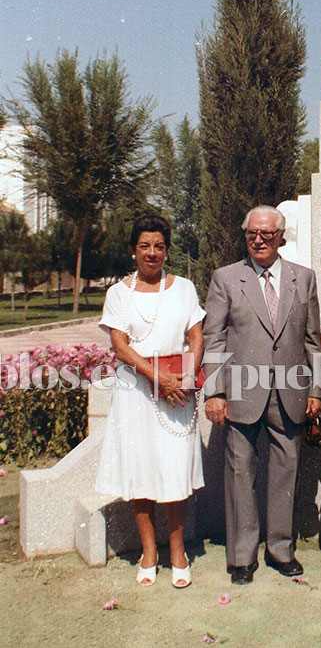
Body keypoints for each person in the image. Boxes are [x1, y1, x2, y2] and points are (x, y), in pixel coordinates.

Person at [202, 205, 321, 585]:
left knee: (286, 473)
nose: (258, 240)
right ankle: (241, 557)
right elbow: (214, 338)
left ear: (280, 237)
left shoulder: (303, 279)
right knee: (240, 474)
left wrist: (316, 390)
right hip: (240, 393)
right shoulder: (226, 279)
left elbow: (313, 341)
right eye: (252, 233)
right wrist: (215, 392)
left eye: (267, 235)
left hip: (291, 393)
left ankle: (281, 550)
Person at [95, 214, 205, 589]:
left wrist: (187, 378)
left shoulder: (185, 288)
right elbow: (120, 346)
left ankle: (177, 552)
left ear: (167, 249)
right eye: (145, 246)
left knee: (175, 469)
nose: (152, 253)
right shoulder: (118, 294)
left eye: (159, 246)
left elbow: (196, 335)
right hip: (137, 394)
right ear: (133, 250)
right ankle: (148, 552)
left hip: (177, 393)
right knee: (140, 469)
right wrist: (158, 377)